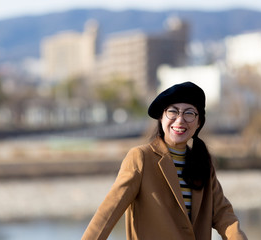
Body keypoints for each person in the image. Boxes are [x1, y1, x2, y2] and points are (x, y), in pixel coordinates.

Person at [82, 81, 247, 240]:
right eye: (173, 112)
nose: (180, 120)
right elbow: (108, 212)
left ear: (198, 123)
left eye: (189, 113)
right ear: (161, 118)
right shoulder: (141, 158)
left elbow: (225, 216)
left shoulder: (203, 165)